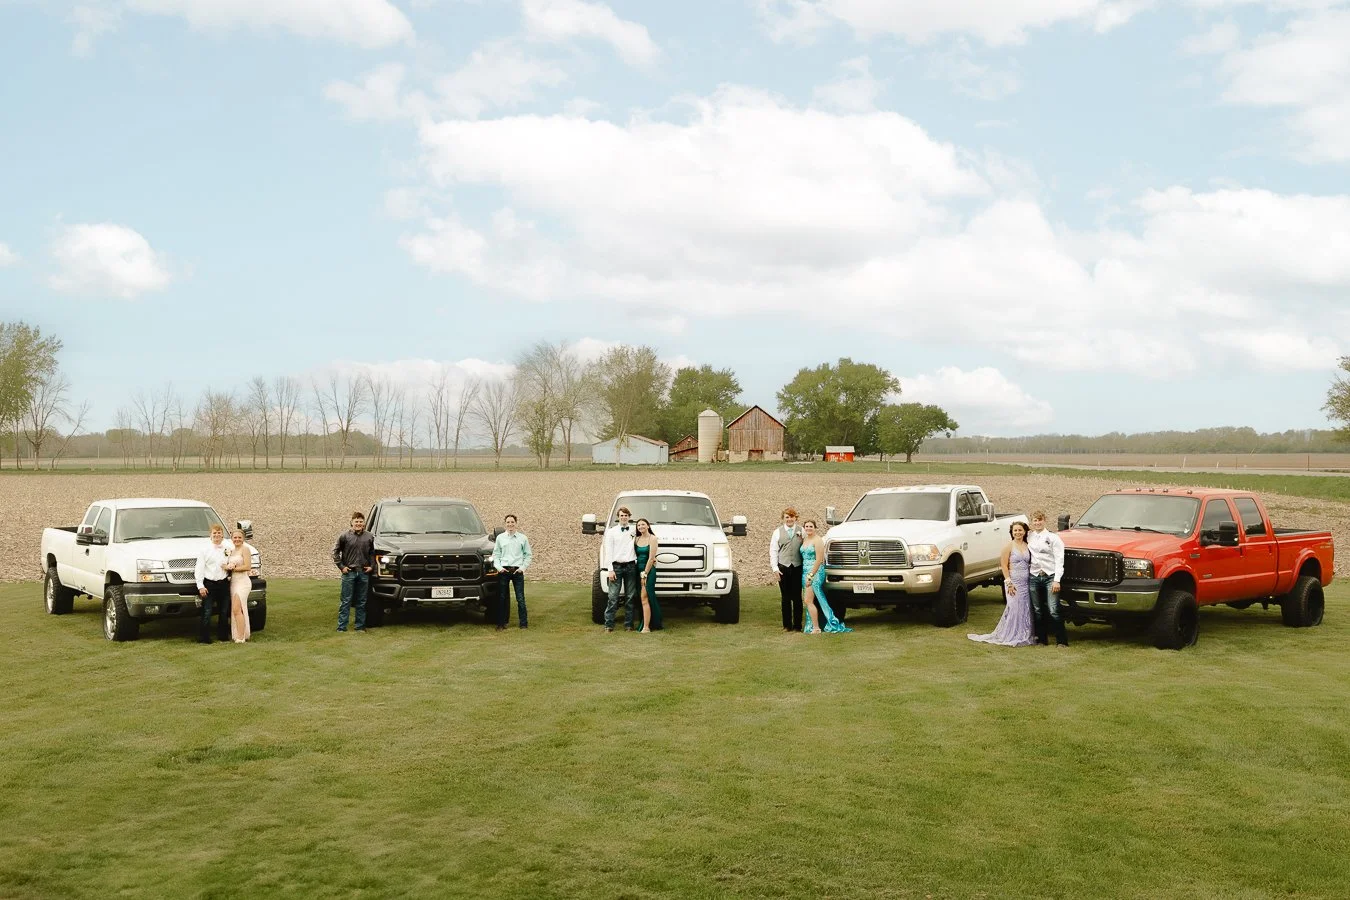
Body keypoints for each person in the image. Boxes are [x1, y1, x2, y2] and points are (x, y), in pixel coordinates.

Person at [968, 520, 1035, 647]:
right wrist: (1008, 582)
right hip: (1014, 581)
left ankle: (1024, 633)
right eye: (1015, 530)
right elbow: (1004, 565)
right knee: (1014, 607)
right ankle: (1010, 634)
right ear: (1012, 532)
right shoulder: (1008, 546)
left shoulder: (1027, 546)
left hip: (1026, 582)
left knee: (1025, 608)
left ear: (1025, 531)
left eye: (1020, 530)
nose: (1018, 532)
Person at [800, 520, 851, 634]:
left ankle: (816, 627)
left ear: (815, 528)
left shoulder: (818, 541)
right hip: (805, 571)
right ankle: (813, 625)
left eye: (811, 526)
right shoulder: (805, 539)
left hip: (815, 572)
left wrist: (811, 575)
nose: (808, 528)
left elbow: (819, 560)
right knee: (810, 600)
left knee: (808, 600)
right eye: (806, 526)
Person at [1026, 510, 1068, 647]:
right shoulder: (1029, 537)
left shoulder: (1053, 538)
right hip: (1034, 576)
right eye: (1035, 520)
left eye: (1040, 520)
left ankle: (1061, 641)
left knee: (1053, 609)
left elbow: (1059, 559)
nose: (1037, 523)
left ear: (1045, 520)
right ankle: (1041, 640)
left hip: (1050, 576)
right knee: (1037, 609)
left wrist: (1057, 579)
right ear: (1031, 522)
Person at [332, 510, 375, 633]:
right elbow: (335, 552)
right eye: (356, 521)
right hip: (349, 572)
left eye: (361, 521)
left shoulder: (370, 536)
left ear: (364, 523)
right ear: (352, 522)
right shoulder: (344, 536)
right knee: (346, 600)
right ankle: (341, 627)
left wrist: (371, 566)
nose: (359, 523)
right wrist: (341, 566)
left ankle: (360, 627)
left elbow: (373, 553)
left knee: (361, 601)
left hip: (363, 572)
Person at [491, 514, 533, 630]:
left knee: (520, 598)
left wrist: (522, 568)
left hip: (517, 571)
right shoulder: (500, 538)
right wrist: (499, 568)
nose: (510, 524)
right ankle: (501, 623)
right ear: (505, 524)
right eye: (508, 522)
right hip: (504, 571)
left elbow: (528, 555)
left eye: (512, 522)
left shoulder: (522, 538)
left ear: (516, 523)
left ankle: (523, 623)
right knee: (502, 598)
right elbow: (496, 555)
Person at [601, 506, 639, 632]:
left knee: (630, 597)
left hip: (630, 566)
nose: (624, 517)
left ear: (629, 517)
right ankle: (609, 625)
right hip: (616, 567)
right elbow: (608, 551)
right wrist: (610, 569)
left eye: (626, 515)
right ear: (618, 517)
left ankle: (629, 625)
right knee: (613, 597)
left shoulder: (634, 530)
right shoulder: (612, 532)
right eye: (621, 515)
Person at [193, 522, 232, 644]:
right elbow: (199, 569)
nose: (217, 535)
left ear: (222, 535)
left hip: (224, 583)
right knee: (207, 611)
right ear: (210, 535)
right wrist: (200, 586)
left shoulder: (227, 549)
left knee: (224, 611)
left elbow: (231, 561)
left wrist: (230, 567)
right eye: (214, 533)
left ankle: (223, 636)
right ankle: (204, 637)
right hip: (209, 584)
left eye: (219, 533)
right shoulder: (204, 550)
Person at [769, 507, 804, 632]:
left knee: (797, 597)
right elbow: (773, 551)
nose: (789, 519)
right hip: (783, 567)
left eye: (791, 517)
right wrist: (775, 568)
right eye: (787, 517)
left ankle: (798, 625)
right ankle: (787, 625)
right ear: (783, 518)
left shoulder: (802, 531)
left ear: (796, 518)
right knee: (785, 597)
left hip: (797, 567)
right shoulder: (777, 532)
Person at [223, 528, 256, 643]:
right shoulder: (231, 551)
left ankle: (241, 637)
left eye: (239, 537)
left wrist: (234, 568)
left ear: (243, 539)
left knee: (238, 608)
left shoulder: (245, 549)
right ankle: (239, 634)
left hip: (243, 582)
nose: (237, 539)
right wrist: (226, 567)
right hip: (233, 582)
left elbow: (247, 567)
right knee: (236, 609)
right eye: (235, 537)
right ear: (232, 539)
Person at [633, 518, 663, 632]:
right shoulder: (636, 539)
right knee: (643, 599)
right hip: (638, 571)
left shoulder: (653, 538)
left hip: (648, 571)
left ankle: (646, 627)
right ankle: (650, 622)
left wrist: (645, 574)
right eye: (639, 525)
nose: (641, 527)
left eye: (643, 524)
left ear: (648, 526)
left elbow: (651, 558)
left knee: (645, 597)